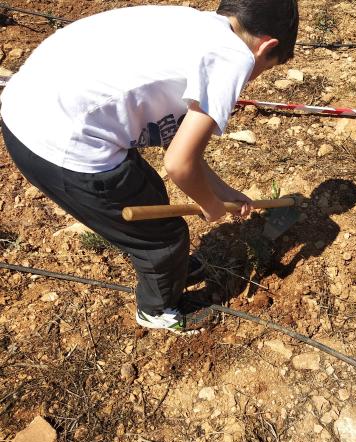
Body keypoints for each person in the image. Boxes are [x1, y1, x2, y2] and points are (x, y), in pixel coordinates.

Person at [0, 1, 299, 332]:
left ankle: (173, 270)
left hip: (29, 106)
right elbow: (179, 163)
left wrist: (223, 190)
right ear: (267, 46)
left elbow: (176, 140)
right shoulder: (234, 56)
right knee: (163, 239)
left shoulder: (194, 25)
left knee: (150, 193)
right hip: (59, 143)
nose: (252, 78)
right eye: (265, 68)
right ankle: (156, 309)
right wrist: (211, 205)